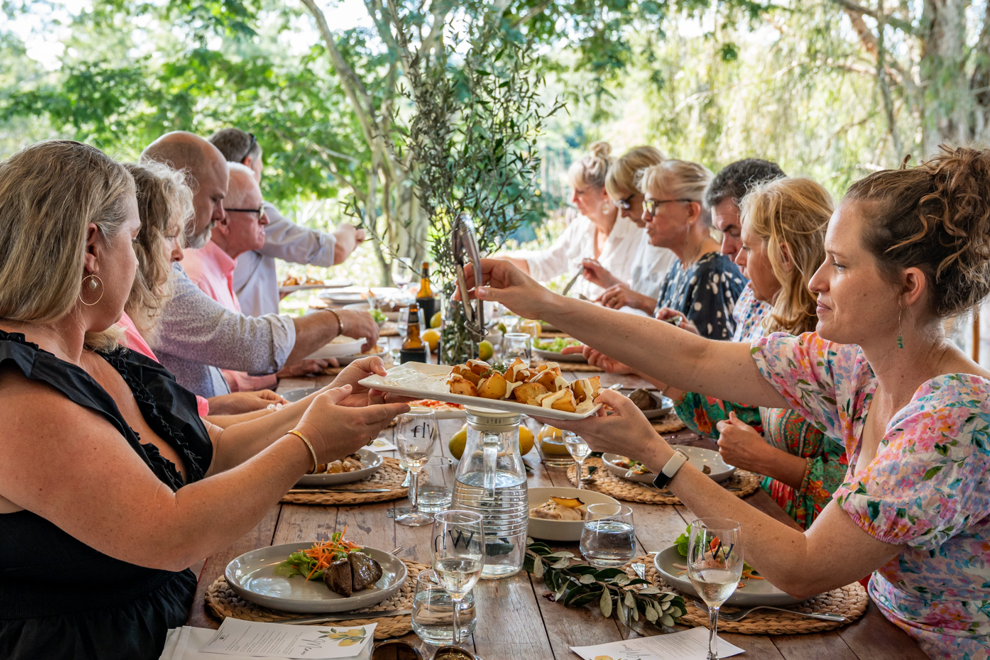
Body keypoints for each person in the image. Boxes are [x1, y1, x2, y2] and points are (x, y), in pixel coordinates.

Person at [462, 146, 990, 659]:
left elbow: (804, 565)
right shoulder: (855, 368)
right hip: (870, 630)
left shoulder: (950, 421)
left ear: (909, 285)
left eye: (839, 264)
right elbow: (695, 359)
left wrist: (661, 458)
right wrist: (544, 302)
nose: (815, 281)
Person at [0, 140, 409, 660]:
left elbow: (213, 448)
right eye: (133, 236)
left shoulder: (99, 350)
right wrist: (307, 446)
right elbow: (169, 531)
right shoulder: (18, 393)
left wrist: (330, 397)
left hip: (183, 625)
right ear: (90, 247)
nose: (167, 258)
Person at [141, 132, 379, 398]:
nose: (220, 214)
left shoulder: (186, 266)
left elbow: (205, 397)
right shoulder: (166, 275)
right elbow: (247, 344)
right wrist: (339, 319)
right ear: (178, 193)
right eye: (215, 199)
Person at [675, 177, 846, 529]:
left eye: (748, 248)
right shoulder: (785, 327)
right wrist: (658, 373)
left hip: (818, 544)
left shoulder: (839, 345)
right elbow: (738, 412)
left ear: (783, 255)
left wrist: (768, 460)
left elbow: (867, 492)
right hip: (772, 515)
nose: (736, 256)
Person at [121, 161, 285, 421]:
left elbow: (163, 410)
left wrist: (218, 406)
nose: (179, 252)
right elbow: (252, 345)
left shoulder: (131, 315)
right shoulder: (148, 303)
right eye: (169, 235)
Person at [183, 163, 322, 392]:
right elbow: (204, 388)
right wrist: (277, 372)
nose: (266, 219)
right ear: (223, 219)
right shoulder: (195, 277)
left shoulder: (220, 268)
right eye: (257, 211)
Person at [207, 128, 366, 317]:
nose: (263, 219)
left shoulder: (202, 209)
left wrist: (268, 291)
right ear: (248, 165)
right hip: (246, 337)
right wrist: (349, 228)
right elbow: (334, 250)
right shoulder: (246, 211)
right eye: (261, 168)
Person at [495, 141, 641, 300]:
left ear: (605, 193)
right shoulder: (580, 227)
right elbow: (545, 264)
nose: (573, 199)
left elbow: (642, 299)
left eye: (580, 192)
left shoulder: (638, 232)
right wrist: (500, 261)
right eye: (572, 190)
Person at [642, 159, 746, 339]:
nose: (645, 215)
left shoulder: (713, 272)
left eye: (653, 205)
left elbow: (710, 364)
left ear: (691, 211)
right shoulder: (680, 265)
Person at [578, 146, 678, 314]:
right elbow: (642, 296)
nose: (623, 214)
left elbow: (680, 321)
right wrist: (609, 281)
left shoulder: (675, 246)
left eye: (626, 203)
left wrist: (639, 301)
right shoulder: (647, 235)